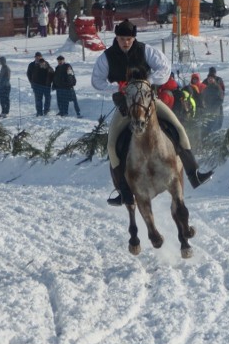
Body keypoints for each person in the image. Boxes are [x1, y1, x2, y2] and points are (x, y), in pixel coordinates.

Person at [91, 19, 213, 206]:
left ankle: (194, 173)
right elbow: (96, 81)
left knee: (178, 128)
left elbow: (164, 68)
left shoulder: (145, 50)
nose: (126, 42)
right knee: (111, 145)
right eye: (123, 39)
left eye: (129, 39)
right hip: (125, 106)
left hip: (149, 102)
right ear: (117, 37)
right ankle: (123, 190)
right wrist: (116, 87)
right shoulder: (107, 57)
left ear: (134, 38)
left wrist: (147, 81)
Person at [27, 51, 54, 116]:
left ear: (41, 57)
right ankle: (39, 112)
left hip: (46, 85)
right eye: (37, 57)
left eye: (39, 57)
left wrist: (46, 67)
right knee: (38, 99)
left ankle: (46, 110)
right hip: (37, 85)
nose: (38, 58)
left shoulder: (46, 63)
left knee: (48, 98)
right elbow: (29, 74)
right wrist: (32, 83)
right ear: (35, 57)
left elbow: (51, 72)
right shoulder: (32, 65)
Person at [201, 66, 225, 134]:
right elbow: (202, 96)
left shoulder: (218, 86)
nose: (210, 79)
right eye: (209, 78)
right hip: (207, 111)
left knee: (216, 127)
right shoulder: (206, 86)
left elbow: (221, 97)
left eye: (212, 78)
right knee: (208, 129)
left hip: (215, 110)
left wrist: (214, 107)